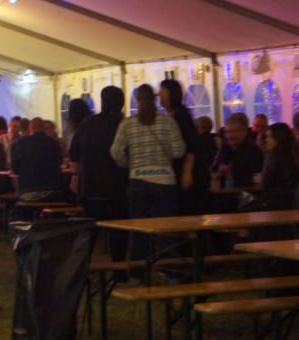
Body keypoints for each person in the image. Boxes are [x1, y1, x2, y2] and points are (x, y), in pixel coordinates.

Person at [110, 84, 185, 283]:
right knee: (168, 230)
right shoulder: (169, 122)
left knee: (138, 231)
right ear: (155, 98)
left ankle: (137, 275)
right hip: (165, 181)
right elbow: (179, 151)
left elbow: (115, 152)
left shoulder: (127, 124)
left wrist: (130, 166)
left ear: (136, 101)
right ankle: (172, 274)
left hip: (138, 180)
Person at [69, 86, 129, 272]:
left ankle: (82, 271)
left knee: (90, 233)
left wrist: (76, 175)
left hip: (90, 188)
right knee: (118, 232)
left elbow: (73, 153)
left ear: (102, 102)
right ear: (121, 104)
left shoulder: (87, 123)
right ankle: (119, 271)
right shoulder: (123, 125)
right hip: (117, 187)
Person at [160, 79, 210, 215]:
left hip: (191, 174)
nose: (159, 94)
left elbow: (191, 146)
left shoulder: (181, 116)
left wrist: (187, 173)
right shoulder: (173, 116)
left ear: (171, 94)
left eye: (162, 90)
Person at [10, 117, 66, 220]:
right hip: (52, 192)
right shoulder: (54, 143)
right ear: (44, 129)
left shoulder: (21, 143)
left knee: (20, 206)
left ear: (30, 128)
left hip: (28, 192)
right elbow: (59, 163)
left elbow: (15, 169)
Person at [211, 114, 265, 188]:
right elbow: (213, 169)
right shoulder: (224, 148)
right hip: (223, 193)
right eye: (227, 132)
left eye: (233, 132)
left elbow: (256, 178)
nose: (229, 136)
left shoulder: (254, 151)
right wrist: (219, 171)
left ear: (244, 132)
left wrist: (232, 171)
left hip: (245, 193)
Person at [261, 123, 299, 192]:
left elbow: (266, 185)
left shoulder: (275, 159)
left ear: (279, 137)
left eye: (270, 137)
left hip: (275, 196)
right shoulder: (297, 155)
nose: (266, 140)